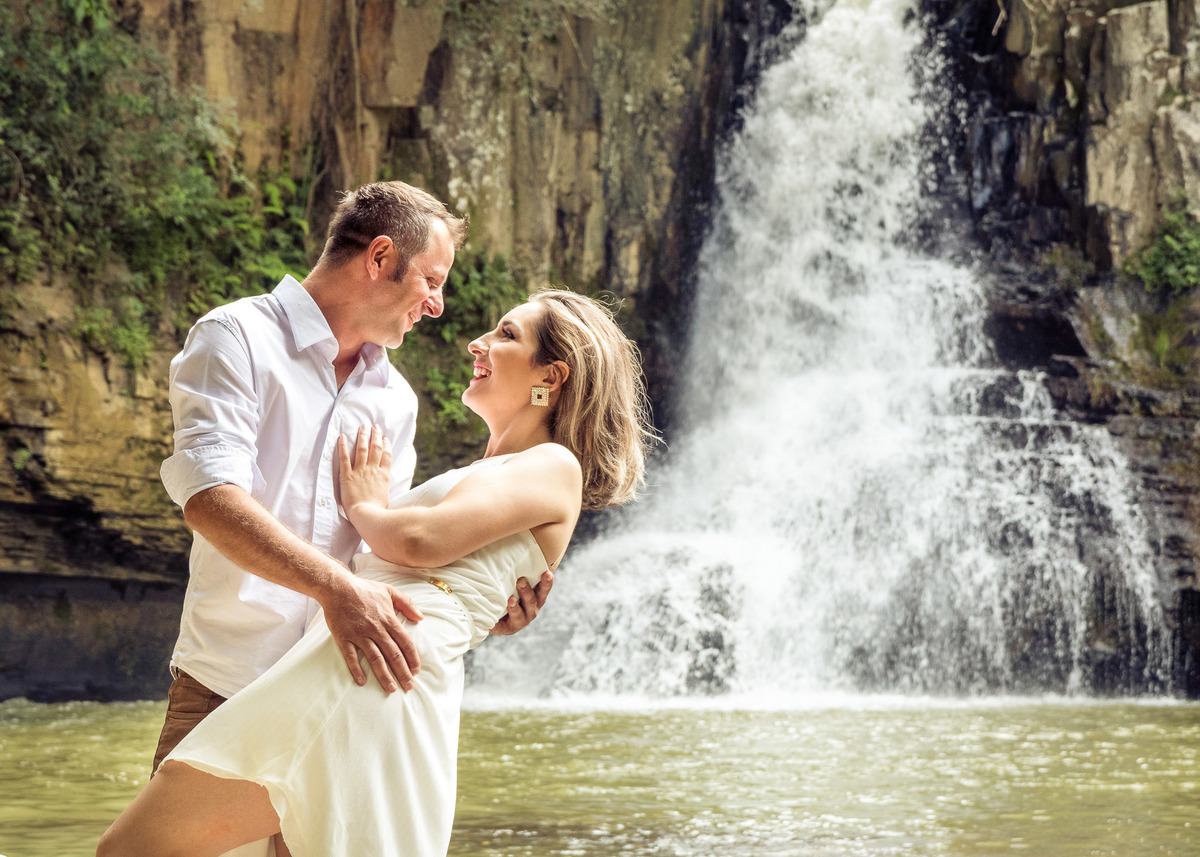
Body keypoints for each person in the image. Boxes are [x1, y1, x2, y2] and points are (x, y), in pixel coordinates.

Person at [98, 288, 655, 857]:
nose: (478, 342)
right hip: (370, 657)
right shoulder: (498, 469)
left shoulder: (556, 463)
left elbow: (416, 541)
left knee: (136, 848)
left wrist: (366, 506)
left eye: (507, 335)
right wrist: (484, 610)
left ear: (553, 376)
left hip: (373, 664)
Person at [152, 180, 552, 774]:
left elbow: (386, 555)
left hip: (344, 690)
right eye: (433, 281)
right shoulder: (236, 338)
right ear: (381, 258)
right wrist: (336, 590)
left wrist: (476, 602)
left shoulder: (397, 401)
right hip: (224, 679)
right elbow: (210, 499)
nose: (438, 306)